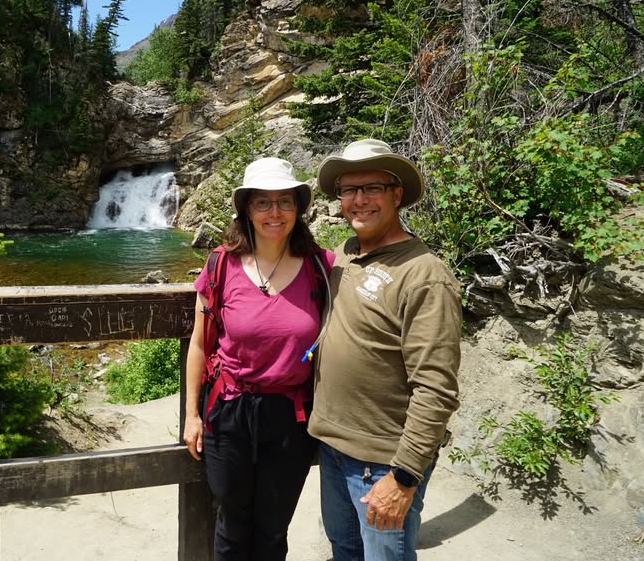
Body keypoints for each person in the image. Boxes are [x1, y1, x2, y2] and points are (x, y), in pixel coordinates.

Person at [308, 139, 462, 561]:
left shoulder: (424, 275)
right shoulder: (344, 254)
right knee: (344, 550)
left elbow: (436, 387)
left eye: (372, 188)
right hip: (333, 447)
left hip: (382, 461)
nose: (359, 200)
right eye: (348, 190)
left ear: (396, 194)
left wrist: (405, 476)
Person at [183, 157, 333, 561]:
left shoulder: (321, 267)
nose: (274, 212)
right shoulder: (220, 264)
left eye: (284, 201)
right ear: (247, 209)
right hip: (229, 410)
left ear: (298, 209)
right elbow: (199, 345)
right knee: (232, 525)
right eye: (262, 202)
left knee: (273, 529)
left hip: (290, 414)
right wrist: (192, 416)